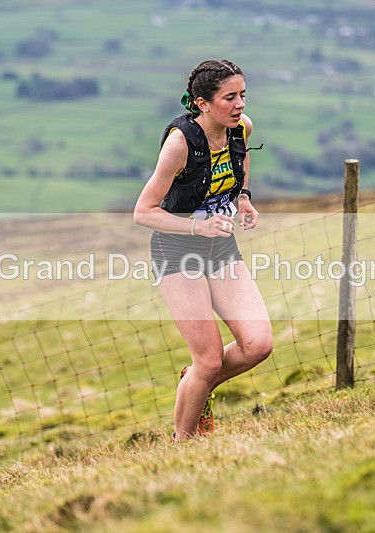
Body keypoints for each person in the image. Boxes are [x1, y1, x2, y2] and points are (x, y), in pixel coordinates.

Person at [133, 59, 273, 441]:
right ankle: (184, 442)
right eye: (230, 97)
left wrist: (243, 197)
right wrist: (199, 225)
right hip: (177, 252)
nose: (240, 104)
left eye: (242, 94)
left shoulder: (239, 127)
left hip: (221, 248)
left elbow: (241, 157)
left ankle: (195, 380)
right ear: (202, 103)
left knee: (258, 344)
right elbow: (143, 212)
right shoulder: (180, 143)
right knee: (209, 360)